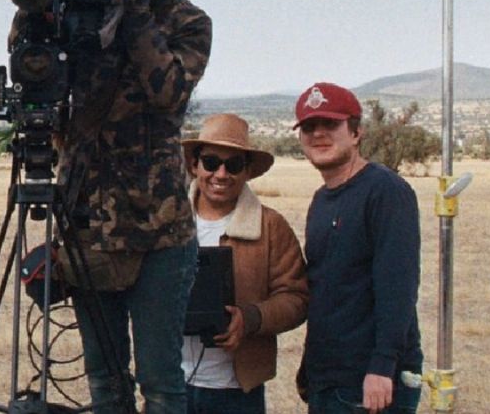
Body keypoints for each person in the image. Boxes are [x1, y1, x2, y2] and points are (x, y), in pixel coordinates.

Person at [12, 0, 212, 414]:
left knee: (162, 385)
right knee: (105, 382)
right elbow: (26, 55)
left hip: (160, 234)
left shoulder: (189, 21)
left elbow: (168, 91)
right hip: (86, 226)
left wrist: (137, 7)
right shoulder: (76, 10)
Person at [293, 83, 423, 414]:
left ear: (355, 133)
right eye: (309, 127)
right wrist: (311, 364)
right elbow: (327, 288)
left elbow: (398, 286)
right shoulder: (321, 200)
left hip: (370, 381)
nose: (318, 134)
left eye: (330, 125)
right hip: (329, 377)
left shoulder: (385, 191)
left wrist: (382, 366)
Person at [180, 113, 308, 414]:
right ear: (194, 165)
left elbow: (297, 297)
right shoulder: (167, 223)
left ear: (247, 171)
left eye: (233, 164)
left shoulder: (271, 226)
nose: (221, 174)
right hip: (170, 384)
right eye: (211, 162)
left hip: (236, 392)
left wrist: (250, 319)